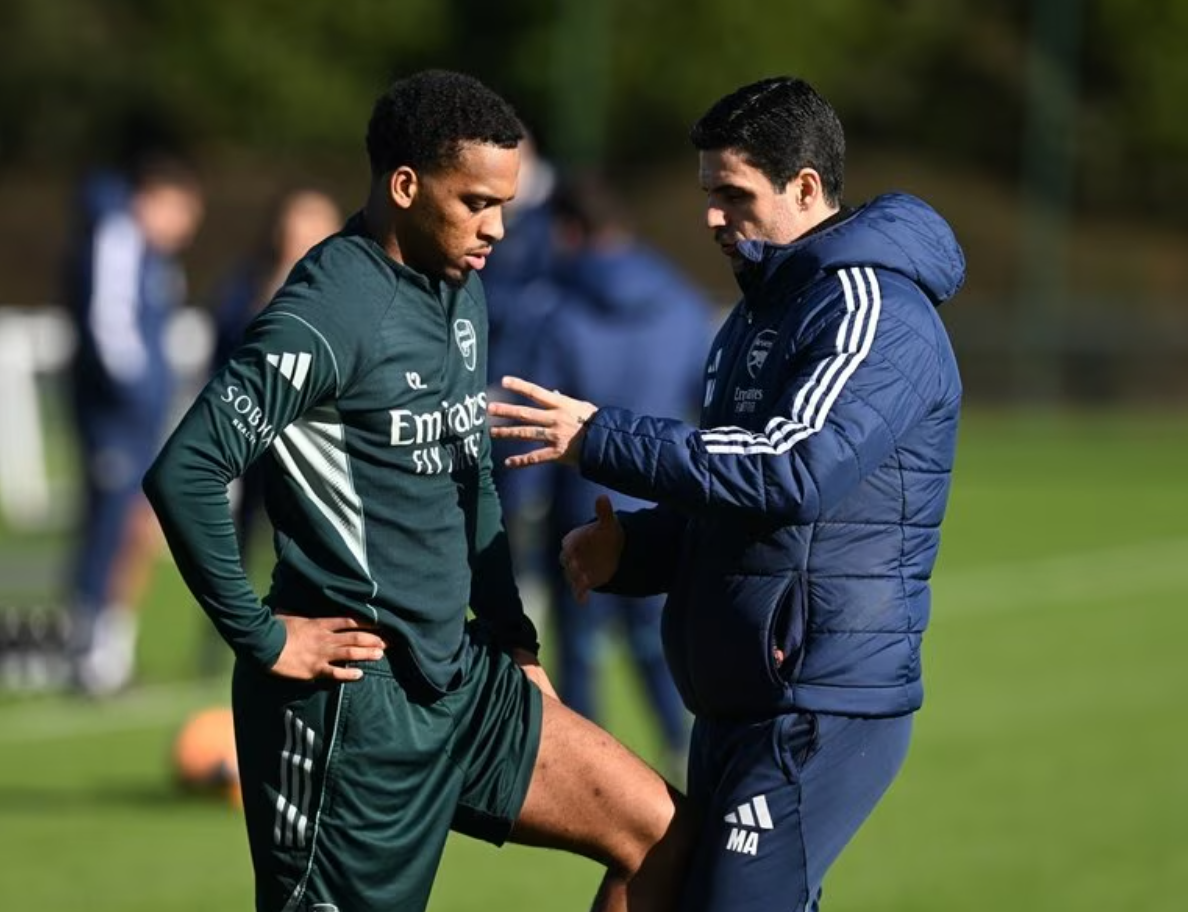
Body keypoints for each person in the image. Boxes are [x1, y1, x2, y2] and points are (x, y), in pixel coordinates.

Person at [142, 70, 690, 912]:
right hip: (354, 709)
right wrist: (262, 636)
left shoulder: (462, 291)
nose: (497, 227)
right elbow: (186, 470)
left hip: (463, 680)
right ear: (405, 186)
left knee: (665, 839)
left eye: (505, 205)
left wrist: (514, 643)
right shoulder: (328, 310)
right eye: (477, 202)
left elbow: (472, 479)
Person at [490, 75, 965, 911]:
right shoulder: (756, 316)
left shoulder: (873, 309)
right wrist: (636, 550)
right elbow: (733, 492)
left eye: (733, 195)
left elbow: (795, 468)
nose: (712, 216)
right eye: (708, 193)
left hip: (816, 700)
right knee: (668, 886)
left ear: (805, 188)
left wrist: (600, 437)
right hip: (736, 698)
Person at [522, 171, 715, 777]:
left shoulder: (552, 306)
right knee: (659, 639)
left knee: (580, 650)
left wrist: (518, 509)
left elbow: (536, 419)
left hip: (580, 505)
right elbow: (709, 403)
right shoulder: (683, 300)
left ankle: (589, 775)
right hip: (668, 499)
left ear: (567, 231)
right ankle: (683, 750)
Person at [64, 151, 204, 696]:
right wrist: (138, 393)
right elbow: (110, 328)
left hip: (140, 416)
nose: (185, 228)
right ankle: (87, 652)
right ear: (153, 199)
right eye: (180, 212)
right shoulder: (117, 239)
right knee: (109, 526)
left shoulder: (154, 257)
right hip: (115, 416)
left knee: (137, 528)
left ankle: (110, 649)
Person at [196, 188, 342, 677]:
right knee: (236, 534)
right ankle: (225, 634)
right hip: (254, 434)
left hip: (313, 443)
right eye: (296, 223)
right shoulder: (249, 284)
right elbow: (226, 349)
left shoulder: (344, 288)